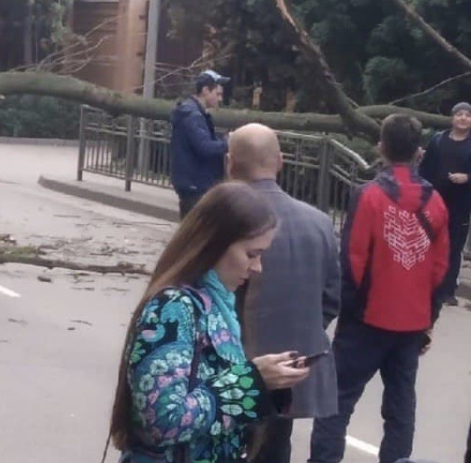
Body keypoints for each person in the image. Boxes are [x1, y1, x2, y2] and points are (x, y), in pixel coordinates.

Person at [108, 182, 310, 463]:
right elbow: (163, 420)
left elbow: (215, 394)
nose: (257, 267)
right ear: (214, 243)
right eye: (252, 254)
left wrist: (267, 383)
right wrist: (252, 380)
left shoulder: (217, 303)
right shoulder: (172, 308)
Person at [309, 114, 450, 463]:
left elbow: (353, 261)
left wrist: (348, 313)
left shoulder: (368, 196)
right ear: (419, 152)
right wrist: (428, 318)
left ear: (381, 147)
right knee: (401, 407)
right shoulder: (436, 203)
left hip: (367, 320)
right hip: (412, 323)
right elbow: (440, 269)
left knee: (337, 402)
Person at [227, 124, 340, 463]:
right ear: (280, 162)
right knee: (276, 448)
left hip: (230, 370)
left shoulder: (222, 219)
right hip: (288, 373)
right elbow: (332, 297)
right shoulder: (320, 222)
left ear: (230, 163)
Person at [418, 101, 471, 305]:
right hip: (434, 200)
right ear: (452, 118)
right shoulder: (438, 140)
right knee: (428, 241)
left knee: (454, 246)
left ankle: (448, 290)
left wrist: (466, 178)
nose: (463, 118)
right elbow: (425, 168)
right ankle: (426, 282)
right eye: (459, 114)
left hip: (460, 204)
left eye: (467, 115)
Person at [170, 70, 231, 218]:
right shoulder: (193, 115)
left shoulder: (194, 113)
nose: (220, 99)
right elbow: (205, 147)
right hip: (195, 185)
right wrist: (228, 143)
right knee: (196, 234)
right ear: (205, 91)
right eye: (217, 94)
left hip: (193, 183)